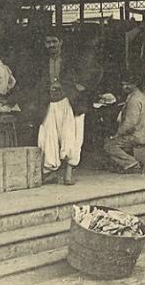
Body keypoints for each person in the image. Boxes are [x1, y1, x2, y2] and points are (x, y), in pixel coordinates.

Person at [36, 30, 100, 185]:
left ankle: (69, 172)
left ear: (61, 42)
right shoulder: (42, 62)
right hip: (51, 102)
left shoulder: (73, 60)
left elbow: (94, 72)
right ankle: (51, 170)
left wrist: (75, 87)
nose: (51, 45)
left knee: (72, 137)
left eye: (54, 41)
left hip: (71, 102)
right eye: (48, 42)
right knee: (47, 136)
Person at [103, 79, 145, 174]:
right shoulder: (138, 95)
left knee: (109, 145)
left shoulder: (134, 100)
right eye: (123, 84)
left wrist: (117, 134)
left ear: (135, 85)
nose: (124, 87)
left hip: (136, 136)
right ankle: (126, 163)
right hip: (140, 133)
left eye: (127, 84)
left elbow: (130, 123)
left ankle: (132, 163)